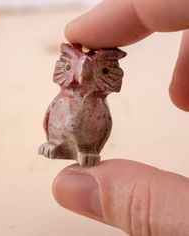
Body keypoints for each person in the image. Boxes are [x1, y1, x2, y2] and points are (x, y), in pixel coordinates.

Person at [52, 0, 189, 235]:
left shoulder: (99, 105)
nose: (83, 78)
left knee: (96, 126)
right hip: (59, 139)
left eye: (103, 70)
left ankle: (83, 148)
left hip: (88, 148)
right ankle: (57, 144)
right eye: (70, 67)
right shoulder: (62, 99)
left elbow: (102, 128)